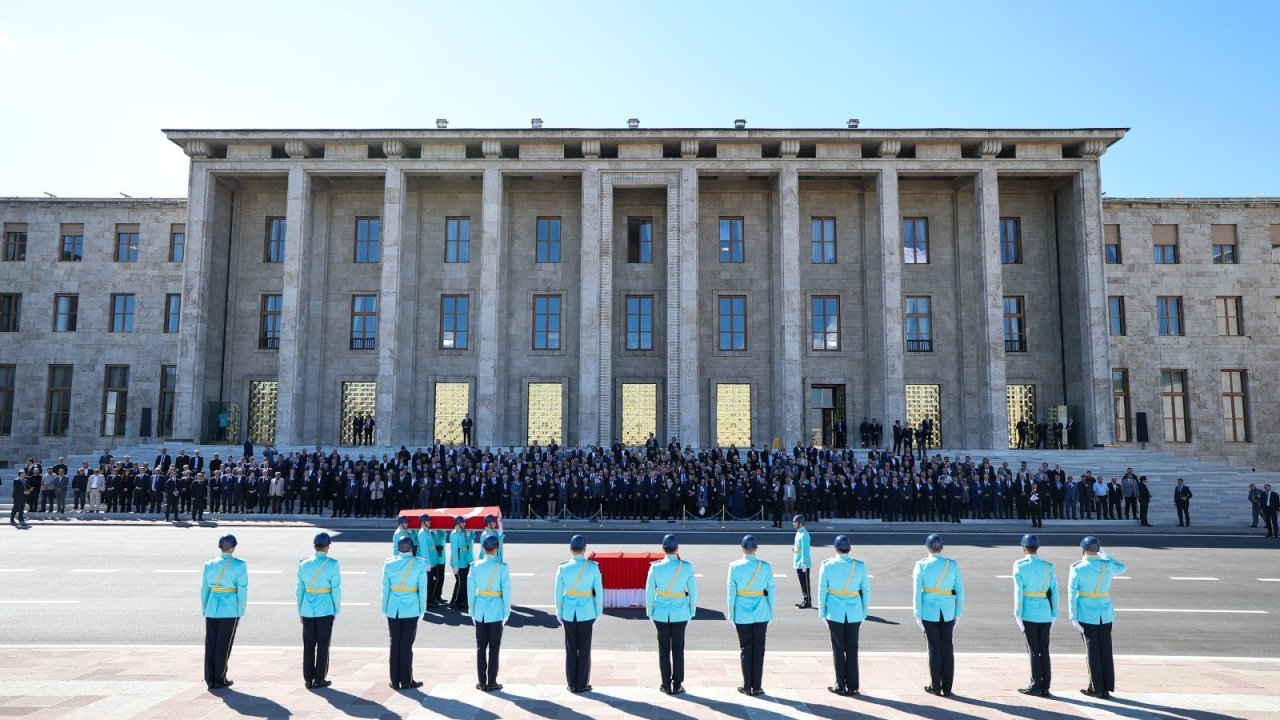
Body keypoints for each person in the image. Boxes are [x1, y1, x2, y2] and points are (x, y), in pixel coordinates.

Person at [1069, 536, 1126, 700]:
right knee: (1105, 650)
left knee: (1092, 651)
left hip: (1086, 613)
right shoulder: (1107, 565)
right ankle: (1105, 687)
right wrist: (1106, 555)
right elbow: (1122, 567)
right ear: (1098, 550)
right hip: (1105, 613)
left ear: (1083, 550)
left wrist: (1073, 616)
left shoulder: (1077, 567)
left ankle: (1096, 688)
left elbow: (1072, 593)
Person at [817, 534, 869, 697]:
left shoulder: (827, 565)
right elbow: (866, 590)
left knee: (838, 649)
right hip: (854, 612)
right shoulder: (859, 566)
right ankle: (853, 686)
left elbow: (821, 590)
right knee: (852, 649)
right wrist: (864, 612)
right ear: (849, 548)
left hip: (835, 612)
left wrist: (821, 611)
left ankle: (840, 684)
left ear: (835, 548)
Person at [645, 534, 697, 695]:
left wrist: (650, 611)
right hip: (680, 612)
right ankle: (677, 684)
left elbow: (649, 592)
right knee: (678, 649)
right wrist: (691, 610)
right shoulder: (686, 567)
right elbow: (693, 592)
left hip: (660, 612)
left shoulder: (655, 567)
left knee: (663, 649)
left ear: (663, 548)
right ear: (677, 549)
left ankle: (665, 684)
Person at [913, 533, 963, 697]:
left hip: (929, 611)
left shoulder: (921, 565)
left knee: (934, 649)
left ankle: (935, 686)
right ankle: (947, 687)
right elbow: (960, 590)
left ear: (928, 548)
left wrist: (917, 613)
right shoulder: (952, 564)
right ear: (942, 547)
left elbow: (917, 592)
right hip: (948, 611)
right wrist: (958, 612)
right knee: (947, 648)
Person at [727, 534, 775, 697]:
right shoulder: (766, 566)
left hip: (741, 612)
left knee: (745, 649)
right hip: (762, 611)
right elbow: (771, 591)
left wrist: (731, 613)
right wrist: (771, 611)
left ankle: (747, 686)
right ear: (755, 549)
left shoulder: (734, 566)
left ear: (742, 548)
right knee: (759, 649)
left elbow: (731, 593)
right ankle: (757, 686)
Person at [555, 534, 603, 693]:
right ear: (584, 549)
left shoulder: (563, 567)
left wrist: (559, 612)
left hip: (569, 612)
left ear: (571, 549)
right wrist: (598, 612)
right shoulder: (592, 567)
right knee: (584, 648)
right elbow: (599, 593)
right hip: (587, 612)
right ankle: (582, 683)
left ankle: (571, 683)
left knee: (570, 648)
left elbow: (558, 593)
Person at [1012, 533, 1057, 697]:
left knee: (1033, 650)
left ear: (1024, 548)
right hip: (1045, 612)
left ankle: (1036, 683)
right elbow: (1054, 592)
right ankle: (1046, 684)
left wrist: (1017, 613)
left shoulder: (1020, 565)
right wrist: (1054, 613)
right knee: (1044, 650)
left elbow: (1018, 592)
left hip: (1028, 613)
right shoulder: (1048, 566)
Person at [202, 534, 248, 690]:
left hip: (212, 608)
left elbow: (204, 589)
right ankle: (219, 678)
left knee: (211, 644)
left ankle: (210, 679)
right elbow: (242, 589)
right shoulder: (240, 565)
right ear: (233, 547)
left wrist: (205, 607)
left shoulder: (209, 564)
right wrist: (241, 609)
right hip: (229, 609)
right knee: (224, 645)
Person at [382, 535, 428, 690]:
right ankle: (407, 681)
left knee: (394, 644)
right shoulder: (419, 564)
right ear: (411, 548)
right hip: (411, 609)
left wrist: (384, 609)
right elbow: (422, 590)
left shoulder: (389, 564)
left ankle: (395, 681)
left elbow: (385, 589)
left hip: (393, 609)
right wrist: (422, 610)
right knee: (406, 645)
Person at [297, 532, 342, 689]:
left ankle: (308, 678)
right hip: (325, 608)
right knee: (323, 644)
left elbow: (299, 590)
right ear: (328, 546)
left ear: (314, 546)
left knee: (308, 644)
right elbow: (336, 589)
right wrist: (336, 609)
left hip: (307, 609)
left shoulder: (303, 564)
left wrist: (300, 609)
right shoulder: (333, 564)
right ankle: (319, 678)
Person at [467, 533, 511, 692]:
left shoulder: (475, 566)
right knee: (494, 648)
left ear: (483, 548)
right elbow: (507, 592)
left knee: (481, 648)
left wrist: (471, 610)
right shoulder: (502, 567)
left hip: (480, 611)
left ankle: (482, 682)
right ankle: (492, 681)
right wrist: (507, 611)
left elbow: (470, 591)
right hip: (496, 611)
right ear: (496, 549)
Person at [449, 516, 476, 611]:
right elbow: (454, 551)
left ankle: (461, 601)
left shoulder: (461, 533)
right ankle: (454, 602)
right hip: (459, 563)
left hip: (464, 562)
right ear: (458, 524)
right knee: (460, 583)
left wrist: (470, 533)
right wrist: (455, 565)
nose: (465, 524)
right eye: (463, 522)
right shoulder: (454, 534)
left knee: (463, 583)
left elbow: (467, 544)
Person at [792, 514, 812, 609]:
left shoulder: (804, 534)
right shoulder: (799, 532)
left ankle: (808, 601)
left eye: (795, 522)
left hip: (803, 563)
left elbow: (805, 551)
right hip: (798, 562)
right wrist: (795, 550)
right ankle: (805, 599)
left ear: (800, 523)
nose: (794, 524)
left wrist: (804, 563)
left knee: (805, 583)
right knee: (802, 583)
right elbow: (799, 547)